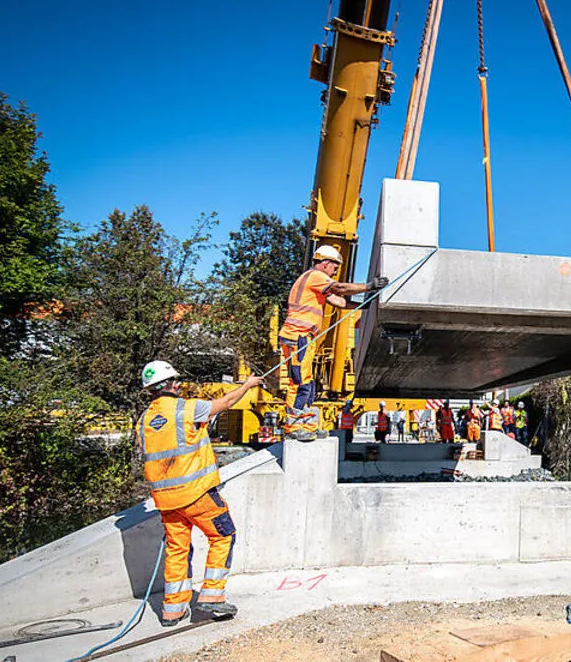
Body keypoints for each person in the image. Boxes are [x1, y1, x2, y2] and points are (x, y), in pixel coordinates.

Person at [136, 361, 263, 626]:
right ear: (170, 385)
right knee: (223, 535)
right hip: (197, 494)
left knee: (177, 549)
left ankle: (173, 610)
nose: (179, 384)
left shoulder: (143, 421)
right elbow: (226, 402)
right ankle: (212, 597)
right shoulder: (188, 408)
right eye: (176, 381)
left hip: (166, 501)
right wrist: (248, 385)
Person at [278, 245, 388, 439]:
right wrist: (369, 286)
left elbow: (339, 301)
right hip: (298, 336)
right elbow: (340, 288)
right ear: (325, 263)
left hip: (302, 337)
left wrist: (364, 305)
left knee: (308, 383)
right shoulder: (315, 276)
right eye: (335, 266)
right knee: (300, 382)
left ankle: (306, 426)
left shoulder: (314, 282)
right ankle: (293, 428)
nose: (335, 271)